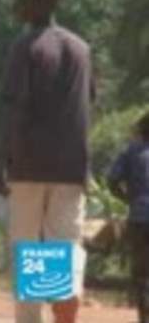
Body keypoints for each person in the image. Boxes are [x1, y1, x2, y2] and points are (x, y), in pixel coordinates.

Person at [0, 0, 94, 323]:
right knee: (63, 240)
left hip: (30, 163)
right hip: (72, 165)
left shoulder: (26, 46)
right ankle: (66, 295)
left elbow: (16, 107)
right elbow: (87, 103)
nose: (15, 6)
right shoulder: (81, 48)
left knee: (29, 247)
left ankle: (34, 317)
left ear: (35, 3)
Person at [107, 110, 149, 323]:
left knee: (141, 274)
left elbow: (112, 181)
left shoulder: (131, 152)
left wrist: (129, 200)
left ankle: (144, 317)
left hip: (139, 218)